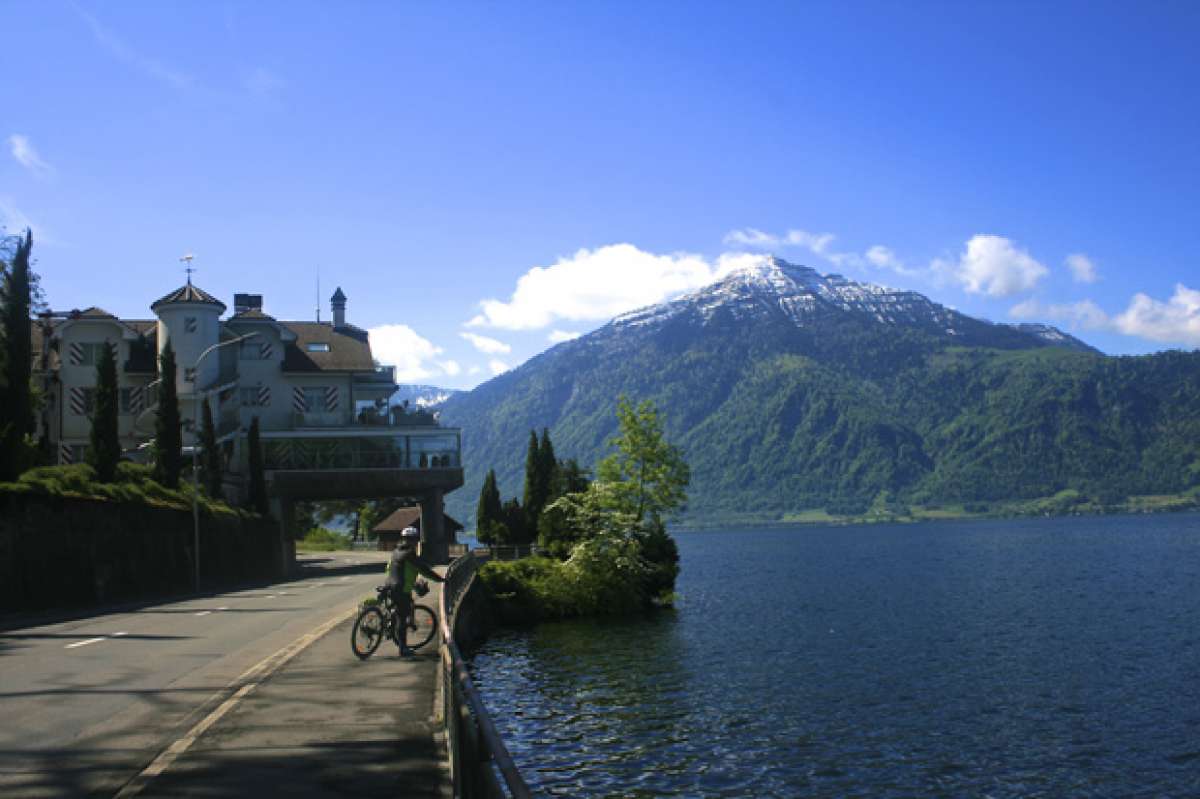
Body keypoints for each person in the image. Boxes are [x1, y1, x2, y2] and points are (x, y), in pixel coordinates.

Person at [385, 527, 444, 656]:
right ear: (414, 540)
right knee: (402, 617)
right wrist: (440, 579)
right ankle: (403, 648)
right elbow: (424, 569)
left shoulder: (395, 551)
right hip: (401, 589)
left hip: (390, 585)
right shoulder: (410, 554)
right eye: (415, 539)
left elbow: (390, 568)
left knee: (402, 608)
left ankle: (390, 627)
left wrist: (412, 582)